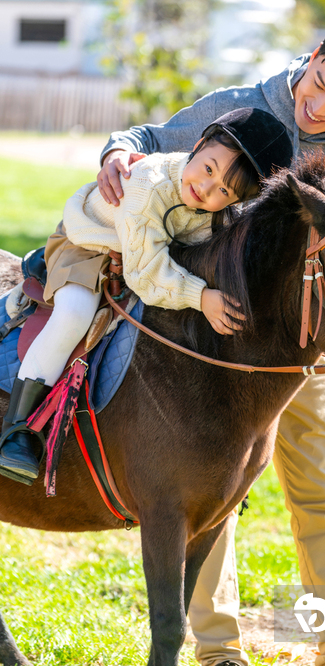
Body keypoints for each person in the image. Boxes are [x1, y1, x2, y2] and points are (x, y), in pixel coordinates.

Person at [97, 19, 325, 666]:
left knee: (319, 495)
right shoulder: (247, 103)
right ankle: (221, 662)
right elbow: (149, 142)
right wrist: (118, 152)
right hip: (219, 347)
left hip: (306, 356)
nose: (318, 106)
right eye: (319, 82)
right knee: (210, 502)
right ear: (315, 57)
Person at [0, 108, 293, 485]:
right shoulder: (148, 186)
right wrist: (201, 296)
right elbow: (145, 273)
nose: (207, 189)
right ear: (200, 145)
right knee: (75, 313)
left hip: (140, 248)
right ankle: (18, 430)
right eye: (208, 170)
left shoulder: (210, 207)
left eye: (224, 190)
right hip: (89, 244)